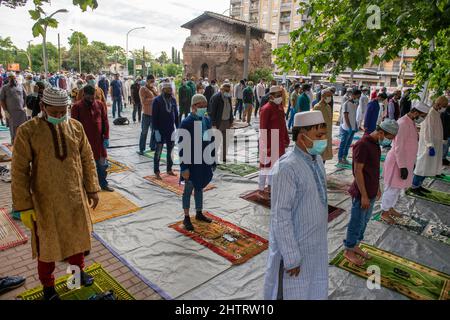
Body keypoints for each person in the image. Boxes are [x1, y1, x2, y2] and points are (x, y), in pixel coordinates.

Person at [11, 87, 100, 301]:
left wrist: (93, 188)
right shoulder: (28, 131)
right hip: (45, 202)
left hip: (74, 197)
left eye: (63, 112)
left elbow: (87, 159)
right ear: (42, 107)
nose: (60, 116)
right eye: (55, 112)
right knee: (47, 247)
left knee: (77, 241)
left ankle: (75, 278)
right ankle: (49, 289)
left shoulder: (76, 127)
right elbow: (19, 170)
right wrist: (24, 206)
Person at [264, 111, 329, 300]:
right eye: (319, 136)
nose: (324, 140)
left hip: (314, 245)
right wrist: (291, 256)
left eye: (325, 134)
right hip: (294, 250)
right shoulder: (287, 168)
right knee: (292, 292)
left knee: (314, 287)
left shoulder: (316, 160)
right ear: (302, 138)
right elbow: (280, 216)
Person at [343, 119, 399, 266]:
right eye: (387, 138)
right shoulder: (362, 144)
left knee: (364, 221)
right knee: (356, 221)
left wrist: (378, 188)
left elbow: (373, 169)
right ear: (381, 132)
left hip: (371, 191)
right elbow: (358, 171)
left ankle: (355, 245)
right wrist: (364, 196)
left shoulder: (374, 144)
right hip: (362, 193)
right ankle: (348, 249)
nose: (387, 141)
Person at [381, 102, 430, 223]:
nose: (422, 118)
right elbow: (398, 146)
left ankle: (390, 208)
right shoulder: (403, 123)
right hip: (397, 162)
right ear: (415, 112)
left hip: (404, 161)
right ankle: (384, 212)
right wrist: (402, 166)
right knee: (392, 188)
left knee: (397, 188)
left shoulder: (410, 122)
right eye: (422, 115)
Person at [179, 94, 215, 231]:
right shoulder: (186, 123)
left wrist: (212, 159)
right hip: (191, 162)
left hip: (203, 160)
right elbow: (183, 147)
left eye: (205, 106)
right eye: (200, 106)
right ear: (193, 106)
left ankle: (199, 212)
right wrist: (184, 167)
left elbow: (210, 140)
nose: (203, 108)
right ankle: (186, 217)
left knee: (199, 187)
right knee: (188, 189)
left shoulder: (206, 120)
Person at [71, 85, 113, 192]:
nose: (91, 99)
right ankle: (87, 187)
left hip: (99, 141)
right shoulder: (76, 107)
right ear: (84, 94)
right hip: (84, 142)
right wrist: (77, 142)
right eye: (89, 97)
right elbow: (74, 126)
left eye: (93, 97)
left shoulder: (100, 104)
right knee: (86, 165)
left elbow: (105, 121)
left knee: (102, 165)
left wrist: (106, 136)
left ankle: (103, 184)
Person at [410, 96, 449, 195]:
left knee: (428, 167)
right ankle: (414, 186)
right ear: (439, 104)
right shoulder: (431, 113)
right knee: (422, 167)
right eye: (444, 106)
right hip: (428, 146)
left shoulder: (437, 113)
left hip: (434, 145)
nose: (444, 108)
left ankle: (419, 185)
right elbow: (427, 131)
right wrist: (430, 145)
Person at [258, 86, 290, 201]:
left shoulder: (280, 108)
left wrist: (286, 138)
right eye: (277, 96)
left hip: (279, 141)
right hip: (269, 142)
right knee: (265, 167)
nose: (280, 98)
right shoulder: (266, 109)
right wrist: (265, 146)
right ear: (271, 96)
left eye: (280, 95)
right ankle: (261, 189)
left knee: (275, 167)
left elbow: (283, 125)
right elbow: (263, 129)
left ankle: (271, 187)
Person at [152, 82, 179, 180]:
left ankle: (169, 169)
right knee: (158, 152)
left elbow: (176, 115)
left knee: (170, 151)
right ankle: (157, 171)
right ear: (163, 90)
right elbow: (154, 117)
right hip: (160, 130)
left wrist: (178, 128)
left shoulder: (173, 100)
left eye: (170, 90)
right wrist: (156, 130)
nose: (170, 91)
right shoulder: (157, 101)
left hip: (170, 130)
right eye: (167, 90)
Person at [209, 81, 234, 163]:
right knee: (216, 141)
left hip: (227, 122)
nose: (228, 92)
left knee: (226, 142)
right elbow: (212, 111)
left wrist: (231, 120)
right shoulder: (216, 97)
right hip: (218, 123)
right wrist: (213, 124)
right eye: (226, 91)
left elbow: (230, 110)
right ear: (221, 89)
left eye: (228, 91)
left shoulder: (228, 97)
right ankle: (213, 158)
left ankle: (223, 158)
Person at [0, 72, 27, 144]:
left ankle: (22, 143)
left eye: (14, 77)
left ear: (16, 78)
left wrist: (25, 106)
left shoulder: (21, 86)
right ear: (8, 78)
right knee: (13, 129)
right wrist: (5, 111)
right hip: (11, 113)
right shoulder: (4, 88)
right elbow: (2, 100)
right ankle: (14, 144)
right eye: (11, 77)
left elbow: (25, 97)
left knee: (22, 128)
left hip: (21, 112)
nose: (12, 79)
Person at [338, 89, 361, 164]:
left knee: (348, 144)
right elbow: (346, 116)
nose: (358, 98)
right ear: (353, 95)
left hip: (353, 127)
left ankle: (345, 157)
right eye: (357, 96)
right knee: (343, 143)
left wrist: (355, 125)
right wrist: (349, 127)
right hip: (346, 128)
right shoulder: (346, 104)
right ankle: (340, 158)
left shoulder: (354, 104)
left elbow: (354, 116)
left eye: (359, 97)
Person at [138, 75, 158, 155]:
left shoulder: (154, 89)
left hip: (154, 114)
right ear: (147, 81)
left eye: (153, 81)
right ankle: (142, 149)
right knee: (144, 132)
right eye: (151, 81)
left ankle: (152, 146)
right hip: (146, 114)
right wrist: (154, 99)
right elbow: (143, 101)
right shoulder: (143, 89)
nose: (153, 83)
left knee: (154, 131)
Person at [313, 89, 334, 162]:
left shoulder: (328, 107)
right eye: (328, 96)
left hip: (327, 134)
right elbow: (314, 123)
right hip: (320, 135)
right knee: (318, 157)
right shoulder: (317, 107)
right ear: (322, 96)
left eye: (330, 96)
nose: (330, 98)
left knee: (324, 157)